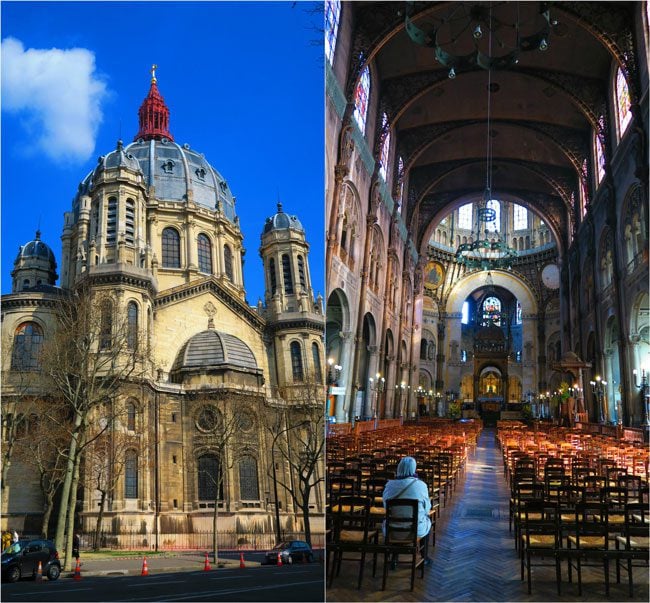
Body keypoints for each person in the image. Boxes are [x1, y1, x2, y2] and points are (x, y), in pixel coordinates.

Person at [382, 456, 432, 566]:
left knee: (395, 520)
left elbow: (385, 506)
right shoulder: (421, 485)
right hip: (415, 530)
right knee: (428, 521)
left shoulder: (389, 485)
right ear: (414, 469)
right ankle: (424, 557)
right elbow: (427, 509)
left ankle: (394, 558)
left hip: (392, 530)